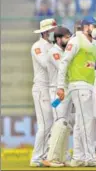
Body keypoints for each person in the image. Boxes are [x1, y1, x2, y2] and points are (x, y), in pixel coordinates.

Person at [57, 16, 96, 167]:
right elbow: (64, 62)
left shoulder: (95, 44)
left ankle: (78, 156)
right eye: (94, 25)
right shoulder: (75, 40)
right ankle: (90, 157)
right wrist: (60, 86)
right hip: (78, 84)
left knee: (80, 122)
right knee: (86, 121)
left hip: (89, 85)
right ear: (85, 26)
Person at [43, 26, 73, 167]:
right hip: (56, 93)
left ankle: (63, 156)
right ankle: (50, 157)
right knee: (58, 123)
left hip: (65, 91)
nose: (68, 40)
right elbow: (63, 67)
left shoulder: (63, 51)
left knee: (65, 125)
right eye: (66, 37)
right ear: (58, 38)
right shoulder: (53, 52)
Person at [30, 18, 57, 167]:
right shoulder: (37, 46)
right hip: (41, 89)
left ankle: (45, 154)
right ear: (46, 32)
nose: (55, 33)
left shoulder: (51, 46)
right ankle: (36, 158)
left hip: (51, 88)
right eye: (53, 31)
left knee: (50, 123)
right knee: (44, 124)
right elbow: (46, 64)